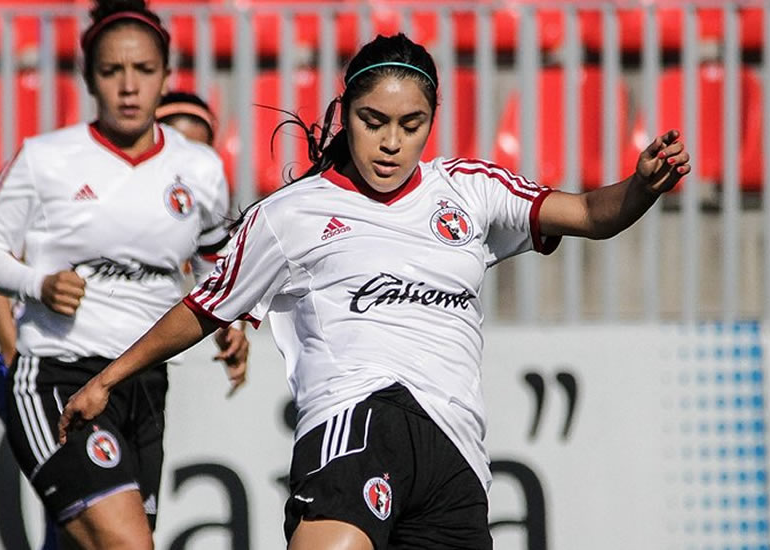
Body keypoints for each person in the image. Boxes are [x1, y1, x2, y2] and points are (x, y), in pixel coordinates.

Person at [58, 33, 691, 550]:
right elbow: (204, 306)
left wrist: (640, 188)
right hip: (359, 418)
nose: (391, 143)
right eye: (374, 121)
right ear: (346, 114)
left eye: (411, 124)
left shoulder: (469, 190)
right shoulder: (293, 214)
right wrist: (109, 377)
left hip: (457, 454)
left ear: (431, 123)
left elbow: (586, 214)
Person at [0, 0, 248, 547]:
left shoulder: (200, 169)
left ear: (167, 74)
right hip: (58, 377)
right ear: (88, 78)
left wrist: (230, 322)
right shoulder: (47, 158)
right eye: (113, 71)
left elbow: (214, 262)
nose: (129, 87)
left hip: (144, 382)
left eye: (143, 70)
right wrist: (35, 284)